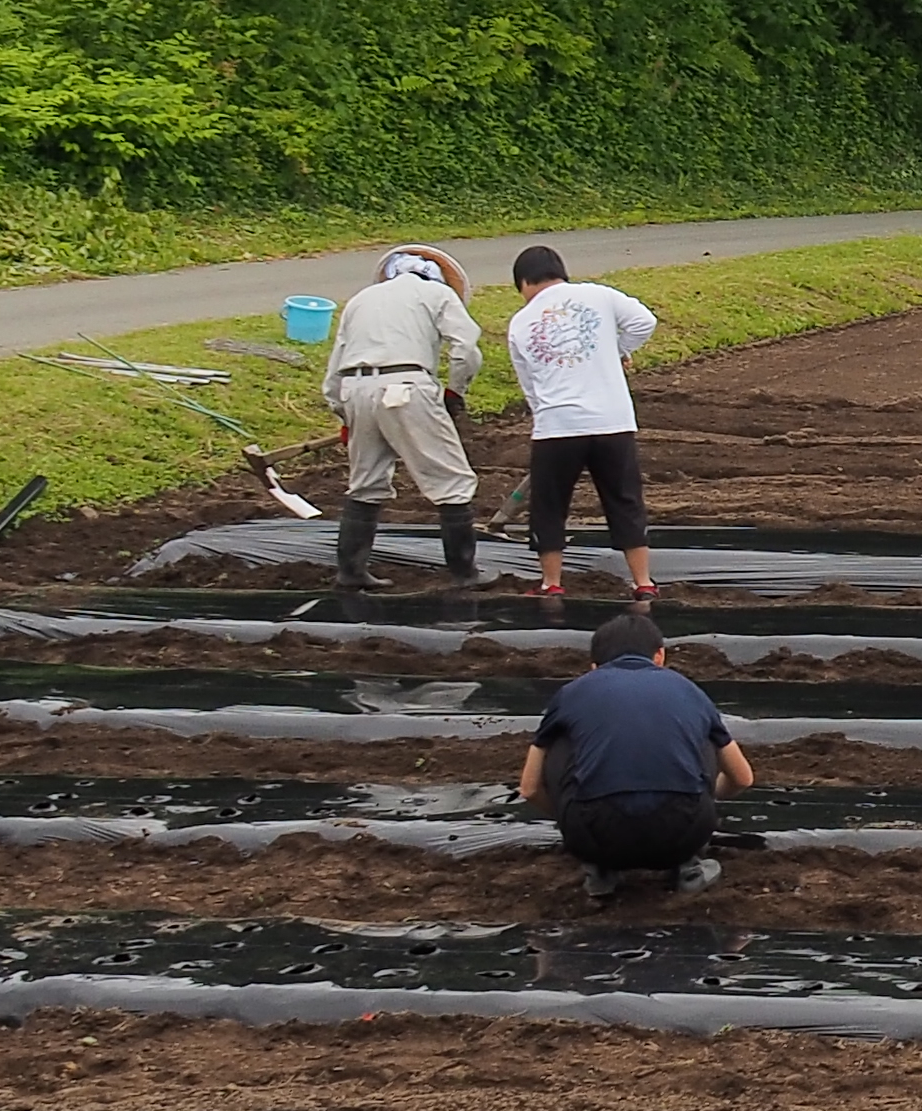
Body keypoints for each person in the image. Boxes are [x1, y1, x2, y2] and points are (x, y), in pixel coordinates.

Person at [517, 609, 754, 898]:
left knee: (560, 740)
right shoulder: (689, 691)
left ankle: (601, 870)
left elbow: (529, 788)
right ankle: (688, 867)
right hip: (684, 834)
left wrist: (569, 819)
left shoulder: (572, 693)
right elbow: (742, 777)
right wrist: (702, 797)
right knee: (701, 739)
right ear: (660, 656)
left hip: (593, 836)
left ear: (594, 667)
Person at [502, 243, 660, 601]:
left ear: (523, 282)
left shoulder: (521, 322)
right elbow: (644, 322)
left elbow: (529, 385)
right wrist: (618, 350)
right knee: (625, 500)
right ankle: (643, 583)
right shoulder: (598, 295)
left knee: (550, 506)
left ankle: (551, 583)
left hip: (557, 426)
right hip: (613, 422)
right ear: (561, 273)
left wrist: (543, 415)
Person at [322, 246, 483, 590]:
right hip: (407, 386)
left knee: (366, 482)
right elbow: (466, 349)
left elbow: (336, 366)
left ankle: (350, 571)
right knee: (452, 480)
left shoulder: (360, 300)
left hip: (356, 390)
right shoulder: (438, 294)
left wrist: (344, 414)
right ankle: (464, 573)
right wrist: (455, 392)